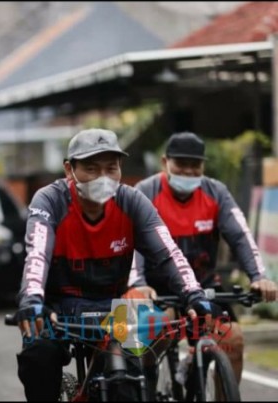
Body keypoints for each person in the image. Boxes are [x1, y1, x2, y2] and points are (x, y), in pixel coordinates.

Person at [14, 128, 217, 401]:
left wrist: (194, 294)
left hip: (115, 307)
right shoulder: (49, 200)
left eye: (111, 168)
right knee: (38, 355)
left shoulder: (132, 201)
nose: (103, 178)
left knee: (131, 378)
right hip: (56, 308)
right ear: (68, 169)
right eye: (91, 168)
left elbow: (169, 253)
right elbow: (37, 253)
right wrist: (32, 300)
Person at [128, 131, 277, 384]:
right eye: (181, 164)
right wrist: (138, 283)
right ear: (165, 163)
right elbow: (130, 242)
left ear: (203, 166)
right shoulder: (144, 192)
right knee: (141, 341)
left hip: (203, 287)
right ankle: (146, 382)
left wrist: (259, 276)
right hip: (153, 288)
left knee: (232, 339)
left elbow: (241, 236)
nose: (188, 171)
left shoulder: (216, 192)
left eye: (195, 165)